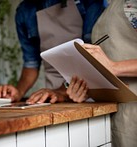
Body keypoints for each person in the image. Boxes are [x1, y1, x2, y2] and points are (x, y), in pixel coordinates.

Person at [28, 0, 137, 146]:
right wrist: (69, 90)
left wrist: (114, 67)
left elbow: (109, 65)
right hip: (120, 117)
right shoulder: (101, 9)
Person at [0, 0, 107, 102]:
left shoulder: (89, 2)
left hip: (88, 95)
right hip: (54, 97)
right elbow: (31, 63)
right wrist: (18, 92)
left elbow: (91, 57)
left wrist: (61, 92)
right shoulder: (25, 11)